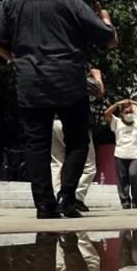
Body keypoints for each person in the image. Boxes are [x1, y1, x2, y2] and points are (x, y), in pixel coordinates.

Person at [0, 0, 118, 219]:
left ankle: (44, 205)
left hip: (31, 80)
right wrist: (105, 18)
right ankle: (67, 198)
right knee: (78, 141)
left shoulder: (12, 1)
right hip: (68, 79)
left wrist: (15, 59)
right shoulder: (69, 0)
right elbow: (109, 39)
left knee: (36, 144)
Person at [51, 68, 103, 212]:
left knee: (57, 162)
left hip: (54, 121)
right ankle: (75, 197)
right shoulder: (78, 77)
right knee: (89, 165)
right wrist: (97, 75)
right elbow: (99, 91)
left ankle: (58, 197)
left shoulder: (52, 75)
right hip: (75, 122)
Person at [104, 98, 137, 209]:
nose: (129, 114)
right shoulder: (116, 122)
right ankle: (125, 201)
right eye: (126, 112)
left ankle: (135, 199)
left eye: (131, 112)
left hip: (136, 154)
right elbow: (106, 113)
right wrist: (118, 103)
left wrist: (134, 103)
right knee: (122, 179)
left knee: (133, 174)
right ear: (121, 114)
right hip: (120, 154)